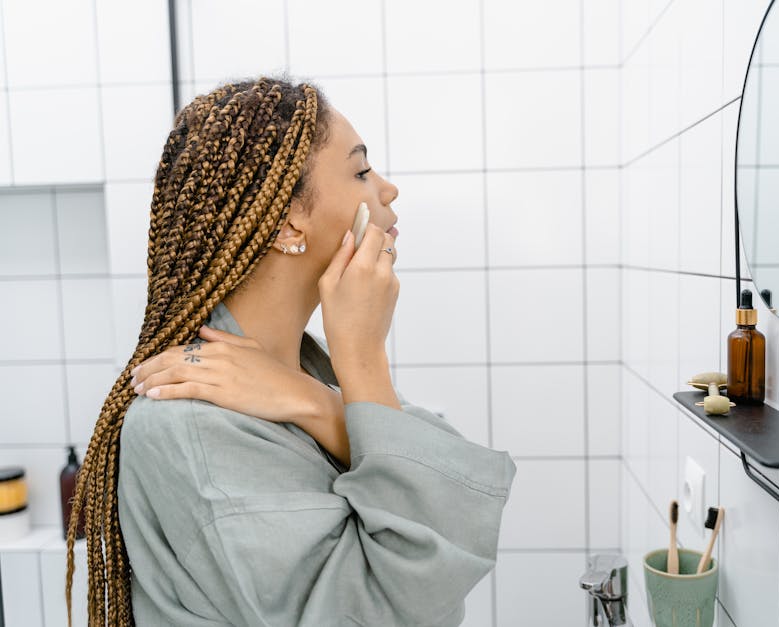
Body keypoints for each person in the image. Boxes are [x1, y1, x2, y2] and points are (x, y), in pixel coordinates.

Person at [65, 76, 517, 627]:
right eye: (360, 170)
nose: (388, 189)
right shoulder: (189, 424)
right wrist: (364, 358)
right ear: (287, 221)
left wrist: (316, 402)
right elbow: (396, 606)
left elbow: (446, 500)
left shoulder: (306, 370)